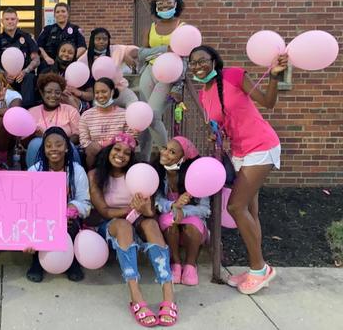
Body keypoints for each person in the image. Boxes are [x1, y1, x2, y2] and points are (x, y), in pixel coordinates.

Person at [189, 45, 287, 295]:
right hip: (240, 152)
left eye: (202, 61)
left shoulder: (233, 75)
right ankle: (257, 267)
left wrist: (274, 76)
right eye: (193, 63)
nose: (198, 66)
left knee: (235, 206)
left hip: (261, 145)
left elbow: (269, 102)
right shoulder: (203, 94)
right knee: (250, 210)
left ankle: (260, 268)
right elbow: (221, 125)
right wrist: (217, 135)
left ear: (214, 61)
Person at [88, 135, 177, 326]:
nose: (121, 155)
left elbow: (150, 212)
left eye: (127, 153)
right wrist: (132, 209)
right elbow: (104, 211)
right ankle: (136, 296)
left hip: (138, 221)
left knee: (151, 224)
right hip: (111, 225)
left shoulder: (138, 173)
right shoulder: (95, 175)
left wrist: (145, 210)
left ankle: (169, 295)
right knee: (123, 225)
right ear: (108, 151)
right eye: (117, 150)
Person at [26, 127, 91, 283]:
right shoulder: (34, 171)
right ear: (44, 149)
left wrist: (74, 207)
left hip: (67, 220)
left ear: (67, 147)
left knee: (71, 223)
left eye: (58, 144)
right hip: (41, 219)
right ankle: (37, 260)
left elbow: (85, 203)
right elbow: (26, 204)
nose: (53, 149)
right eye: (48, 145)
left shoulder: (77, 171)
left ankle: (72, 260)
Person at [137, 0, 186, 160]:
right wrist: (165, 49)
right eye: (160, 4)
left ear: (176, 4)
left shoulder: (183, 28)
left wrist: (178, 86)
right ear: (155, 6)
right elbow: (141, 54)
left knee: (152, 116)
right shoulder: (150, 28)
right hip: (149, 72)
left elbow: (185, 58)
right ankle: (144, 157)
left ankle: (168, 155)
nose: (165, 5)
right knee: (144, 117)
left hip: (170, 78)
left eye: (168, 2)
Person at [153, 137, 210, 286]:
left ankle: (191, 265)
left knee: (192, 225)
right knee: (170, 222)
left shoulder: (196, 177)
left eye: (172, 152)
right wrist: (174, 205)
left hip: (191, 217)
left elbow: (205, 209)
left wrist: (184, 211)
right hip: (170, 214)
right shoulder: (159, 173)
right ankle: (176, 263)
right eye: (165, 148)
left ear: (182, 159)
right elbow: (157, 201)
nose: (165, 153)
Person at [0, 8, 40, 107]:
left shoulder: (27, 37)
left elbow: (36, 59)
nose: (10, 22)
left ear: (17, 21)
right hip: (4, 78)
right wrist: (3, 74)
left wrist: (25, 71)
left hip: (24, 77)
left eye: (12, 19)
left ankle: (26, 110)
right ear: (2, 21)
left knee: (30, 78)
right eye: (7, 19)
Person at [26, 72, 81, 168]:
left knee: (70, 146)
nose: (53, 95)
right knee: (35, 144)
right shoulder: (31, 112)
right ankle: (34, 179)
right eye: (49, 92)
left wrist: (61, 142)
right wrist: (32, 134)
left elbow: (77, 135)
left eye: (57, 92)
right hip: (39, 149)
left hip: (64, 150)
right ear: (42, 93)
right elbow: (24, 141)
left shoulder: (70, 110)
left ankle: (71, 177)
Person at [79, 77, 135, 169]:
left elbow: (129, 139)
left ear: (112, 92)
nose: (100, 95)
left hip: (118, 156)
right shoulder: (86, 115)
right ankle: (93, 176)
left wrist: (105, 145)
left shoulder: (124, 114)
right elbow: (84, 142)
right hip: (96, 157)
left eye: (104, 91)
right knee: (91, 148)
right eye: (97, 92)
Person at [78, 28, 139, 108]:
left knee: (133, 101)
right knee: (97, 110)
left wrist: (127, 55)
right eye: (98, 39)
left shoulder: (115, 49)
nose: (101, 41)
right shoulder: (87, 56)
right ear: (92, 40)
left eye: (105, 39)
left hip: (119, 89)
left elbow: (135, 50)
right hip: (100, 93)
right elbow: (78, 69)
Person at [42, 41, 93, 112]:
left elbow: (91, 95)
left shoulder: (80, 70)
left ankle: (77, 119)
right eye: (63, 51)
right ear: (58, 52)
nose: (66, 54)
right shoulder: (47, 72)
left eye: (70, 53)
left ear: (74, 55)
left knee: (67, 97)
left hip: (78, 104)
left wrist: (79, 92)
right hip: (55, 101)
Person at [37, 2, 87, 73]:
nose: (60, 14)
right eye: (57, 12)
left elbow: (82, 47)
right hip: (50, 64)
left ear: (68, 14)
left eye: (63, 11)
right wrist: (46, 57)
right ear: (54, 15)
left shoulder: (75, 29)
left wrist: (71, 58)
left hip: (70, 65)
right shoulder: (47, 29)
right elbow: (39, 46)